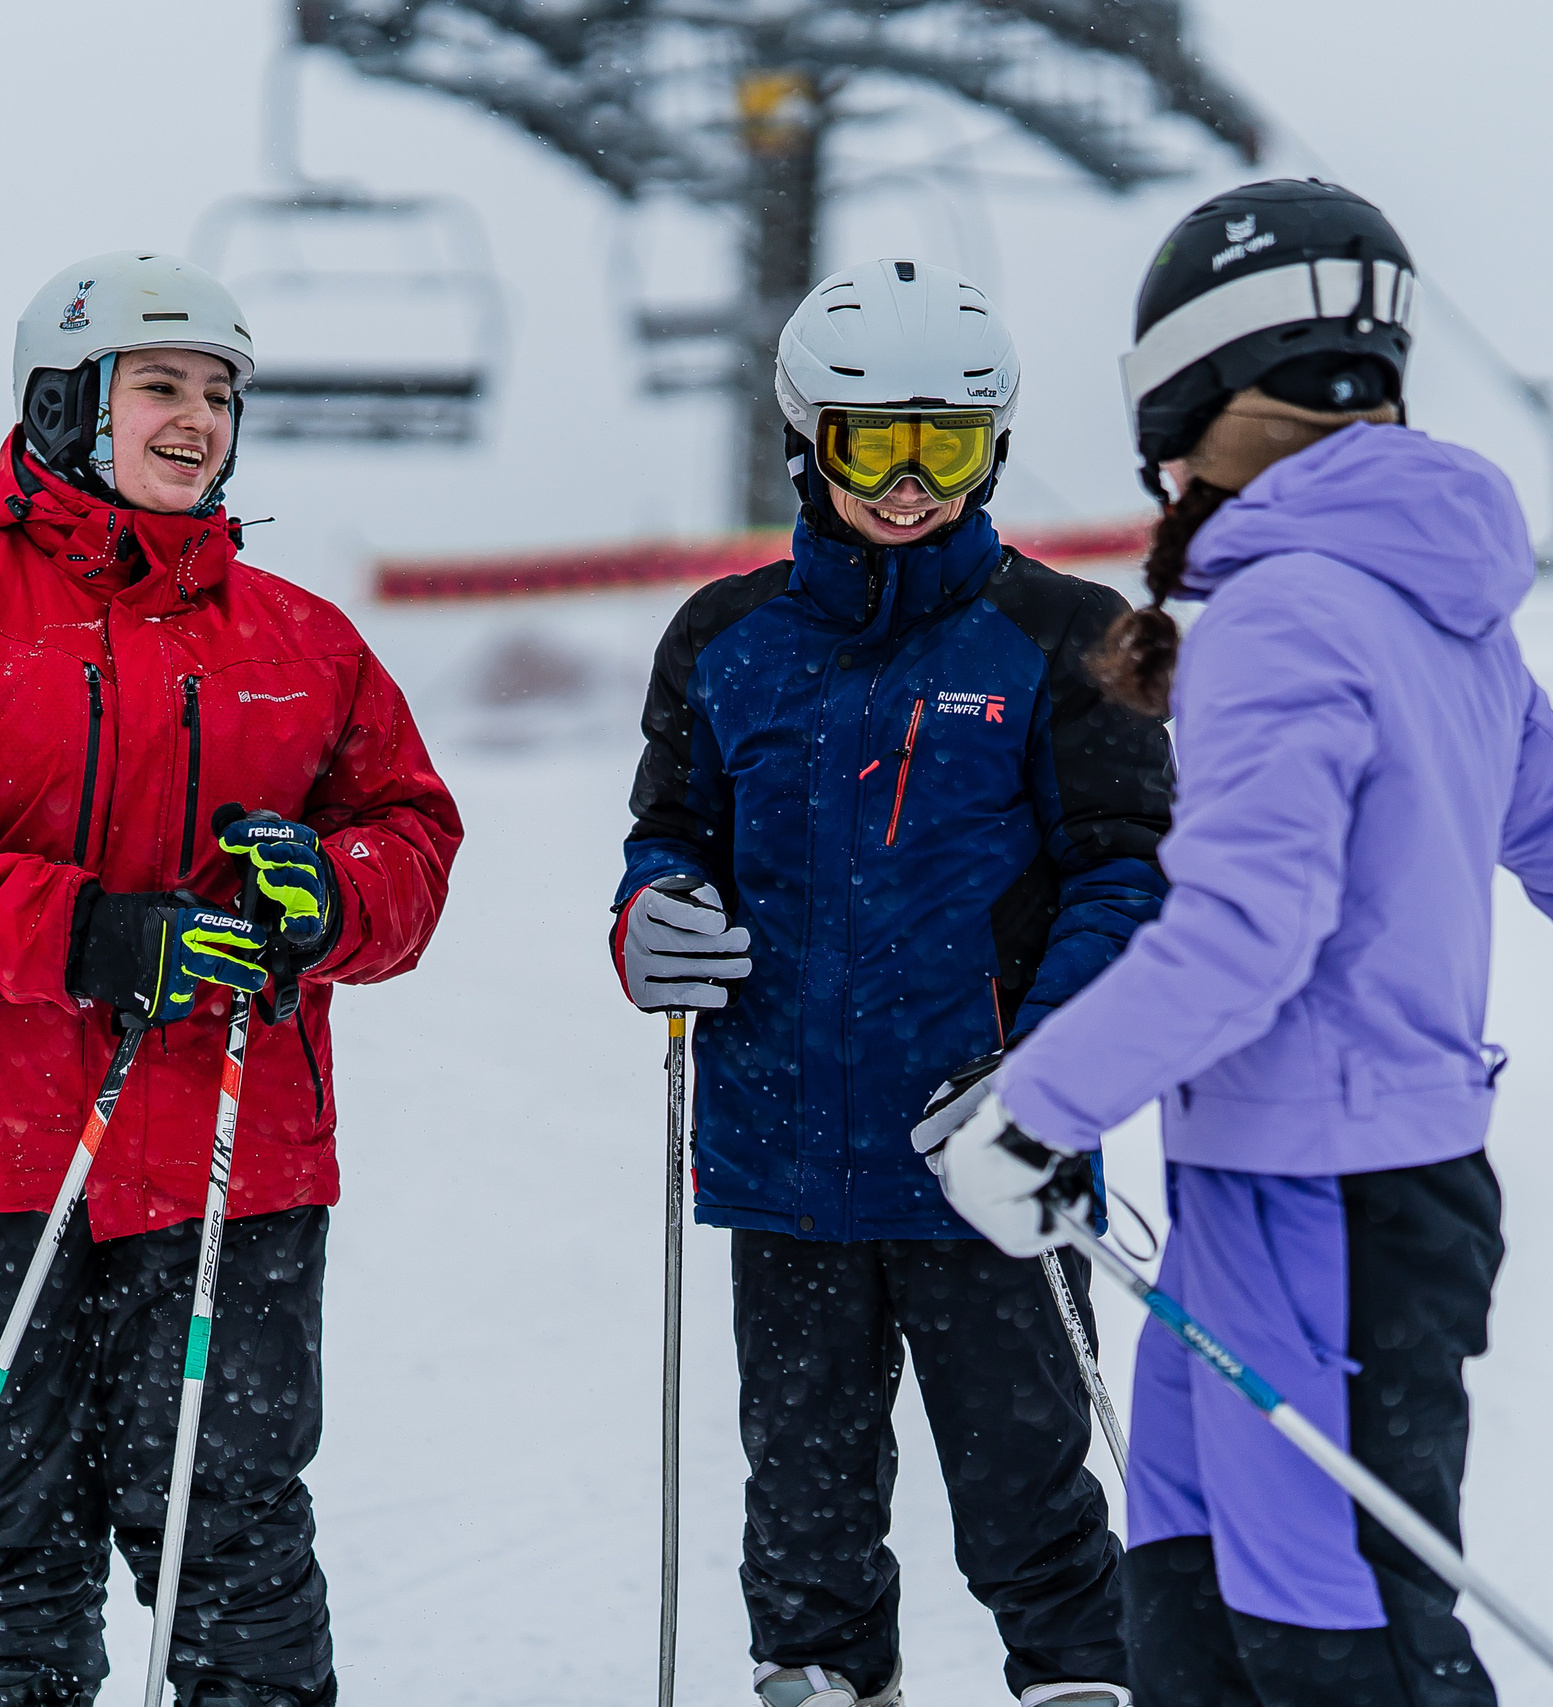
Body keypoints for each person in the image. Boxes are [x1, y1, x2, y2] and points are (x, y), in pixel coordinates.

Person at [926, 180, 1553, 1707]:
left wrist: (1040, 1109)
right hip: (1284, 1196)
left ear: (1207, 394)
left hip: (1332, 1210)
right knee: (1190, 1596)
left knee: (1334, 1638)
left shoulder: (1289, 614)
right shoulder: (1434, 615)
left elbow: (1246, 931)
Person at [0, 251, 462, 1707]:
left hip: (236, 1161)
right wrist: (92, 932)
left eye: (220, 394)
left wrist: (330, 892)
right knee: (4, 1518)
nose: (198, 419)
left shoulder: (303, 641)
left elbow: (411, 842)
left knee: (232, 1530)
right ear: (64, 402)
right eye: (161, 385)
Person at [612, 258, 1172, 1707]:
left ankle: (1079, 1684)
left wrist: (1042, 1069)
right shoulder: (724, 640)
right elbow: (670, 834)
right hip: (785, 1154)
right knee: (801, 1518)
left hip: (989, 1155)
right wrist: (650, 914)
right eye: (877, 442)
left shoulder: (1068, 634)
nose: (912, 482)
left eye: (951, 443)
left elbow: (1129, 872)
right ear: (811, 439)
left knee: (1031, 1506)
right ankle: (817, 1678)